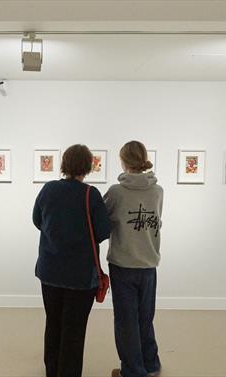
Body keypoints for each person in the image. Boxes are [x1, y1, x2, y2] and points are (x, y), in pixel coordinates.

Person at [33, 144, 111, 377]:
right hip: (80, 275)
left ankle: (53, 371)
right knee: (74, 331)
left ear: (64, 164)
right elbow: (103, 231)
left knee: (53, 324)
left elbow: (37, 220)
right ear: (87, 167)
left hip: (50, 271)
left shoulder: (48, 189)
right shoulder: (90, 194)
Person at [104, 141, 163, 377]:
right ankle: (151, 364)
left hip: (123, 264)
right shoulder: (158, 190)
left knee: (126, 321)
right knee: (145, 317)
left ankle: (132, 371)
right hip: (149, 263)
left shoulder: (117, 192)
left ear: (124, 161)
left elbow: (103, 220)